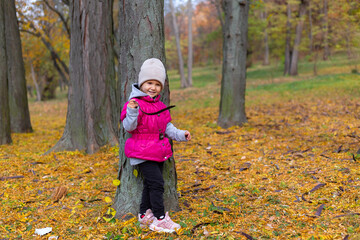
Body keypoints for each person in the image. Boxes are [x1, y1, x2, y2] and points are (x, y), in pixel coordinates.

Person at [120, 58, 191, 233]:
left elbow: (168, 128)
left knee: (150, 185)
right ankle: (159, 219)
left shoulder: (160, 106)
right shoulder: (135, 103)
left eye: (157, 84)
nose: (152, 87)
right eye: (149, 83)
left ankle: (144, 215)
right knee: (157, 184)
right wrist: (132, 111)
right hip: (142, 152)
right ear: (142, 83)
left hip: (157, 152)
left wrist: (181, 134)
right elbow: (129, 127)